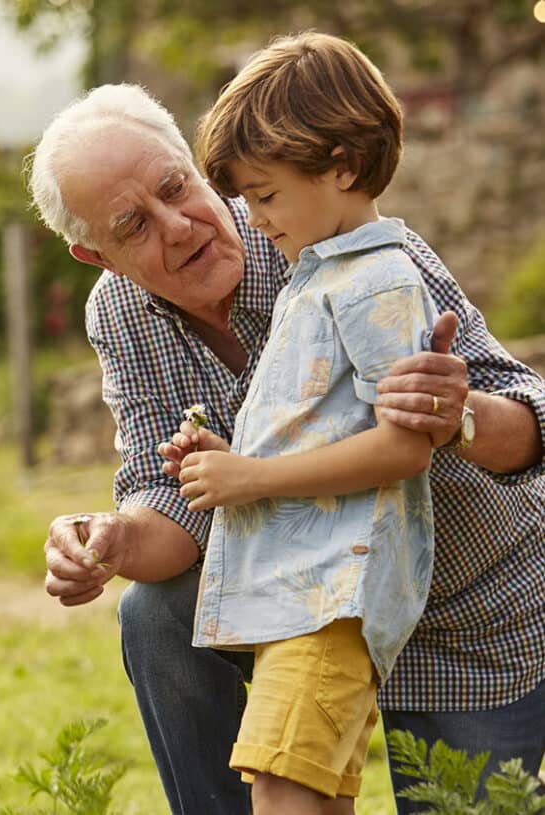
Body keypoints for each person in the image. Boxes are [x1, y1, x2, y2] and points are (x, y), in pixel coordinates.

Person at [29, 77, 545, 814]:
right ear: (97, 256)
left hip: (460, 612)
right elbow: (168, 498)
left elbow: (534, 419)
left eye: (177, 188)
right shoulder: (120, 314)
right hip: (306, 605)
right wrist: (107, 539)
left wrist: (457, 412)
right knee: (155, 612)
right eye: (134, 226)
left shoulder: (338, 237)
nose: (177, 226)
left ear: (196, 163)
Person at [151, 32, 439, 813]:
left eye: (267, 195)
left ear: (342, 166)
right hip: (300, 592)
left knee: (281, 788)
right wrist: (226, 458)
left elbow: (404, 445)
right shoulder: (318, 274)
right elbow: (321, 426)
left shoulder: (378, 279)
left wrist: (254, 477)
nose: (253, 217)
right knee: (304, 792)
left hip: (333, 593)